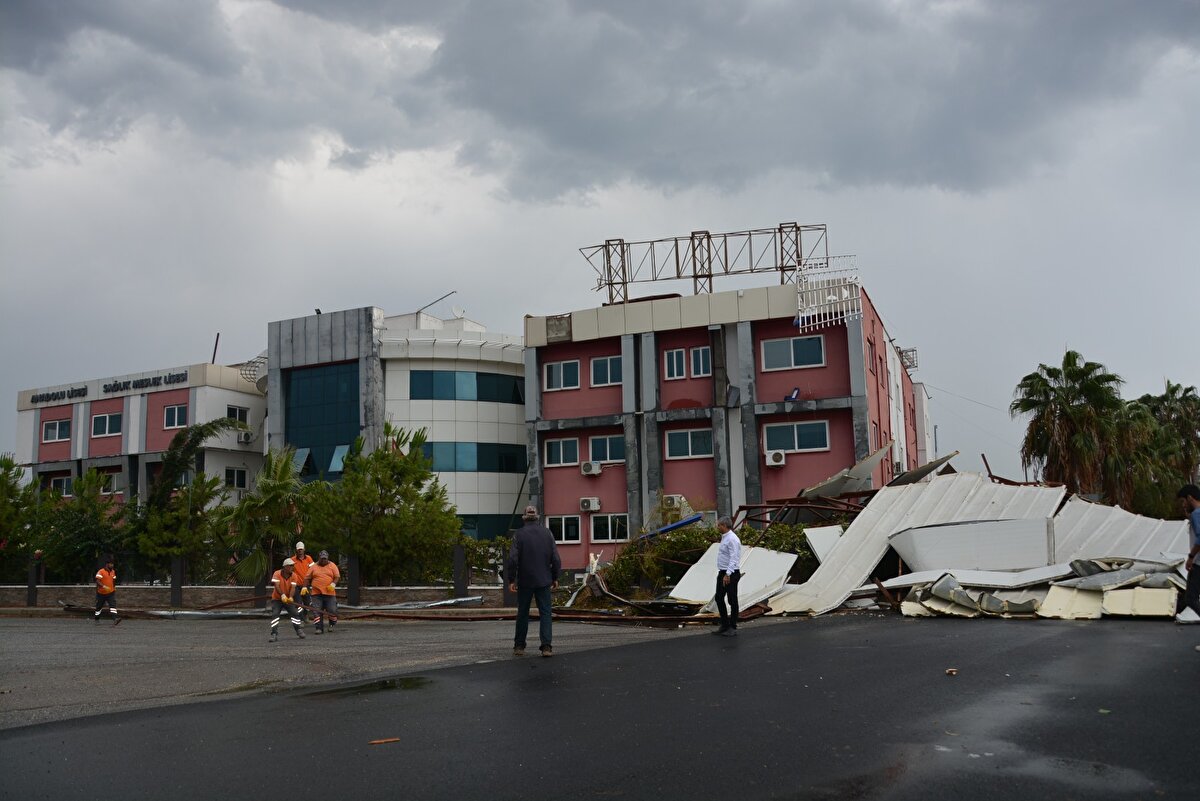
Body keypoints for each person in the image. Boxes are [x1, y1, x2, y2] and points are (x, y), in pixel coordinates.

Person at [506, 505, 560, 657]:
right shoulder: (547, 533)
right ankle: (546, 647)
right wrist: (555, 577)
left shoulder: (519, 534)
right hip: (544, 580)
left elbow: (512, 559)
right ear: (537, 517)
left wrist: (512, 579)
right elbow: (555, 558)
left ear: (524, 518)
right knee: (545, 613)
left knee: (523, 612)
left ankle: (519, 646)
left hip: (525, 581)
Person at [712, 517, 741, 637]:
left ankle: (733, 626)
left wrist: (728, 574)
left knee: (732, 599)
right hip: (723, 572)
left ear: (724, 525)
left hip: (731, 573)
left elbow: (734, 558)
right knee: (719, 598)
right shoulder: (725, 538)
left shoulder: (732, 539)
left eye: (718, 525)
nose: (717, 527)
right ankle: (725, 624)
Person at [1177, 485, 1200, 633]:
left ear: (1190, 498)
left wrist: (1190, 557)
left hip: (1198, 563)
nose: (1183, 505)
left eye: (1183, 501)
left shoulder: (1197, 514)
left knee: (1190, 598)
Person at [269, 558, 305, 643]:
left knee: (295, 613)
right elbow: (277, 586)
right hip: (277, 599)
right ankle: (274, 634)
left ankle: (298, 630)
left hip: (288, 599)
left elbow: (293, 588)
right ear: (285, 567)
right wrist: (282, 595)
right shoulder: (277, 573)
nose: (293, 567)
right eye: (291, 566)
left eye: (293, 566)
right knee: (275, 615)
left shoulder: (294, 575)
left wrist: (291, 597)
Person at [305, 550, 341, 634]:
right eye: (322, 559)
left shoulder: (332, 565)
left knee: (332, 610)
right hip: (316, 593)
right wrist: (304, 587)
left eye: (325, 559)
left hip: (330, 593)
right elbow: (307, 578)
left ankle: (331, 624)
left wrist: (333, 584)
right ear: (319, 558)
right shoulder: (313, 566)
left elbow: (337, 577)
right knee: (316, 611)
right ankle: (318, 628)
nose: (323, 560)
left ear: (327, 558)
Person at [94, 556, 121, 626]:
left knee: (113, 606)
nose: (112, 565)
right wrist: (103, 586)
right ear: (107, 564)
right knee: (98, 607)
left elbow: (114, 580)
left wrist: (113, 588)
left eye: (113, 564)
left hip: (111, 593)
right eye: (111, 564)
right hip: (101, 593)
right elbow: (97, 581)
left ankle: (115, 619)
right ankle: (96, 619)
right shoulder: (101, 571)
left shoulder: (113, 572)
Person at [291, 541, 314, 619]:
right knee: (298, 603)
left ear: (304, 549)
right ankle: (301, 618)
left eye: (301, 549)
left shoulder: (309, 558)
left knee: (307, 602)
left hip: (306, 585)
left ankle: (305, 614)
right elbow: (289, 572)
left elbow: (313, 570)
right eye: (298, 549)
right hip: (296, 586)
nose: (300, 551)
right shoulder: (292, 560)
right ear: (296, 550)